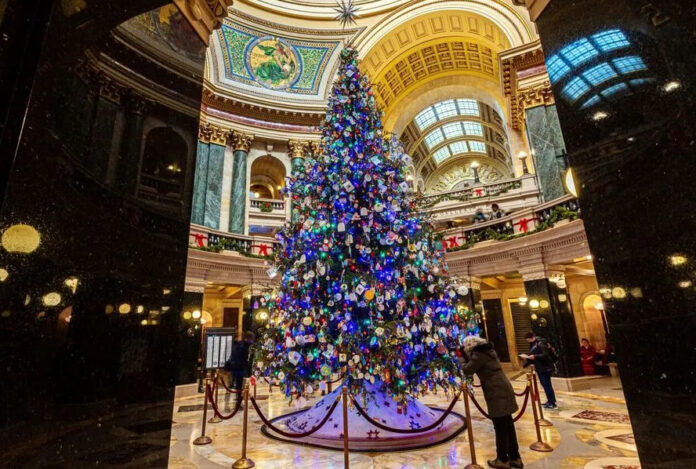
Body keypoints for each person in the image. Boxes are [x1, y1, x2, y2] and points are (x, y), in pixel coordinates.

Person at [461, 336, 523, 469]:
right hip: (502, 386)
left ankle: (502, 459)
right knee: (508, 424)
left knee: (500, 426)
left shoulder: (479, 354)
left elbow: (467, 370)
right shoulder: (488, 351)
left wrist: (461, 358)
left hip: (496, 390)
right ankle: (515, 457)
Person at [522, 332, 557, 409]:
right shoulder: (532, 344)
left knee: (547, 385)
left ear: (532, 337)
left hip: (545, 368)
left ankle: (552, 403)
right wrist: (527, 359)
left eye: (528, 339)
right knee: (545, 385)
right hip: (540, 368)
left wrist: (534, 356)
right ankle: (550, 400)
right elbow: (533, 355)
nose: (528, 341)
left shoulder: (541, 343)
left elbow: (545, 355)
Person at [224, 331, 255, 410]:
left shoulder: (238, 344)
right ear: (248, 339)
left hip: (233, 368)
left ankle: (228, 404)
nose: (252, 341)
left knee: (231, 387)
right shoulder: (244, 347)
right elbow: (244, 360)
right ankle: (237, 404)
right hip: (239, 369)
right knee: (238, 387)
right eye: (251, 339)